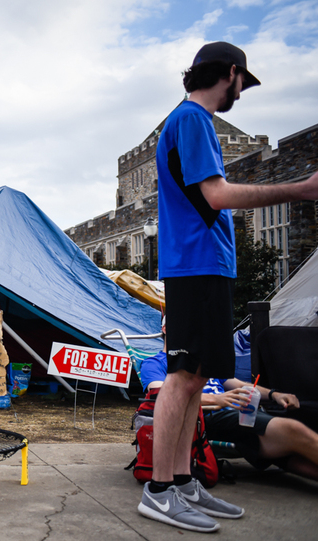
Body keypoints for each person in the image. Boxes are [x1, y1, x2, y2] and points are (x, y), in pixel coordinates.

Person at [142, 41, 318, 533]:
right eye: (243, 83)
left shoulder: (190, 122)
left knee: (197, 377)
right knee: (181, 375)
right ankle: (160, 490)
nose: (242, 92)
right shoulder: (193, 120)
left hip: (206, 266)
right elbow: (217, 195)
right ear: (232, 74)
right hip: (194, 265)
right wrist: (301, 188)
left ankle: (181, 480)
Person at [141, 320, 318, 483]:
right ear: (165, 329)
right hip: (203, 419)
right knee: (294, 430)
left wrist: (274, 394)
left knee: (293, 454)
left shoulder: (203, 363)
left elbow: (240, 385)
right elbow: (160, 397)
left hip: (234, 416)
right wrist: (218, 400)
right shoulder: (154, 363)